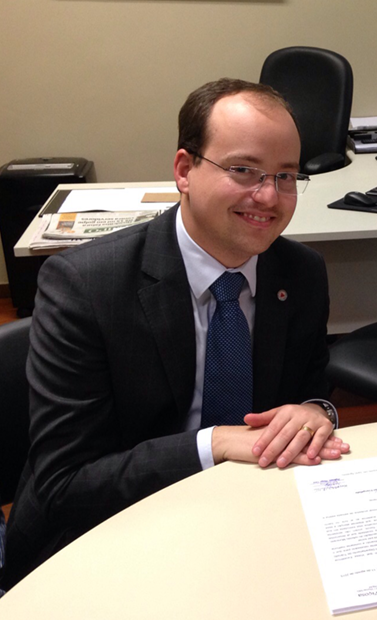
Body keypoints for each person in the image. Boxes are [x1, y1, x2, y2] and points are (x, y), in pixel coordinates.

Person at [1, 78, 349, 589]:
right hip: (105, 538)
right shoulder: (85, 285)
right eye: (243, 170)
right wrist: (215, 445)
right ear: (185, 170)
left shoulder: (301, 273)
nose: (270, 196)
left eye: (286, 176)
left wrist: (317, 412)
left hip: (249, 526)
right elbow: (64, 484)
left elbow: (312, 390)